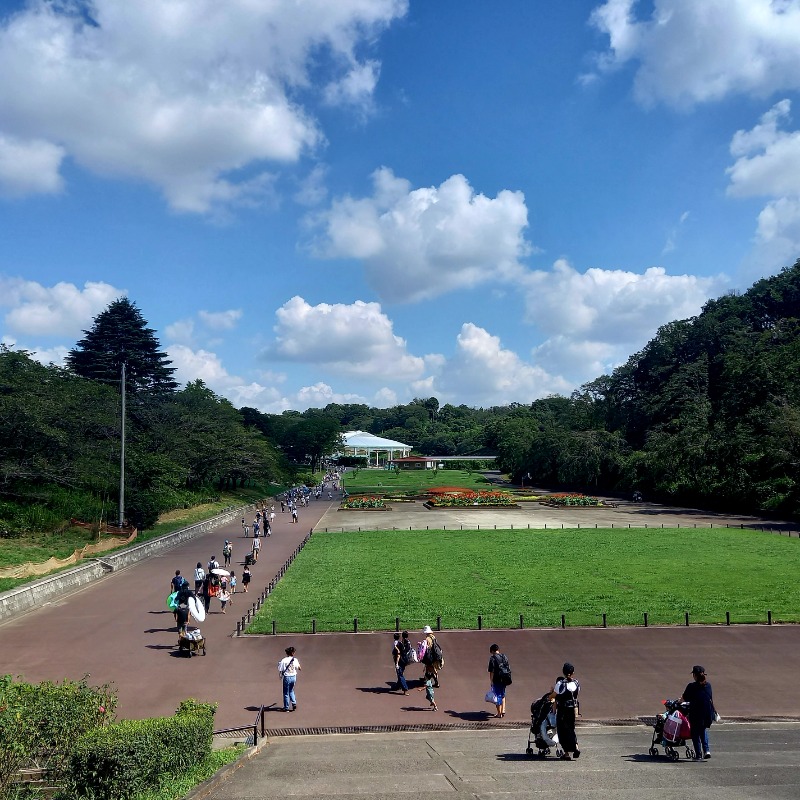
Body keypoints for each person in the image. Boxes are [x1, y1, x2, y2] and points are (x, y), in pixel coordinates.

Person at [680, 665, 716, 760]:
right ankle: (707, 750)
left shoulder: (692, 686)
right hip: (708, 713)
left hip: (696, 713)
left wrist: (678, 701)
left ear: (695, 675)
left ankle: (698, 755)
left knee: (695, 733)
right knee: (703, 730)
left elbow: (684, 698)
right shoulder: (708, 685)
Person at [554, 662, 581, 760]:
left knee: (562, 731)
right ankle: (576, 747)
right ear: (573, 672)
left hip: (562, 710)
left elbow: (555, 695)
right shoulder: (576, 683)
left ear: (563, 672)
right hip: (572, 710)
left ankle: (566, 754)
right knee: (571, 729)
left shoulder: (560, 684)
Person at [488, 643, 511, 718]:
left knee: (497, 696)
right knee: (503, 694)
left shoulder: (492, 658)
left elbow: (491, 671)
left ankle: (499, 713)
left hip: (497, 679)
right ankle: (503, 710)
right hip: (505, 678)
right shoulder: (504, 656)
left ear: (492, 651)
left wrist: (491, 681)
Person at [278, 646, 301, 712]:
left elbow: (280, 669)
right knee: (291, 690)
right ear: (293, 653)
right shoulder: (295, 659)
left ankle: (286, 707)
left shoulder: (284, 660)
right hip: (293, 677)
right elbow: (299, 668)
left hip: (287, 677)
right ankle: (294, 703)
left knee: (286, 692)